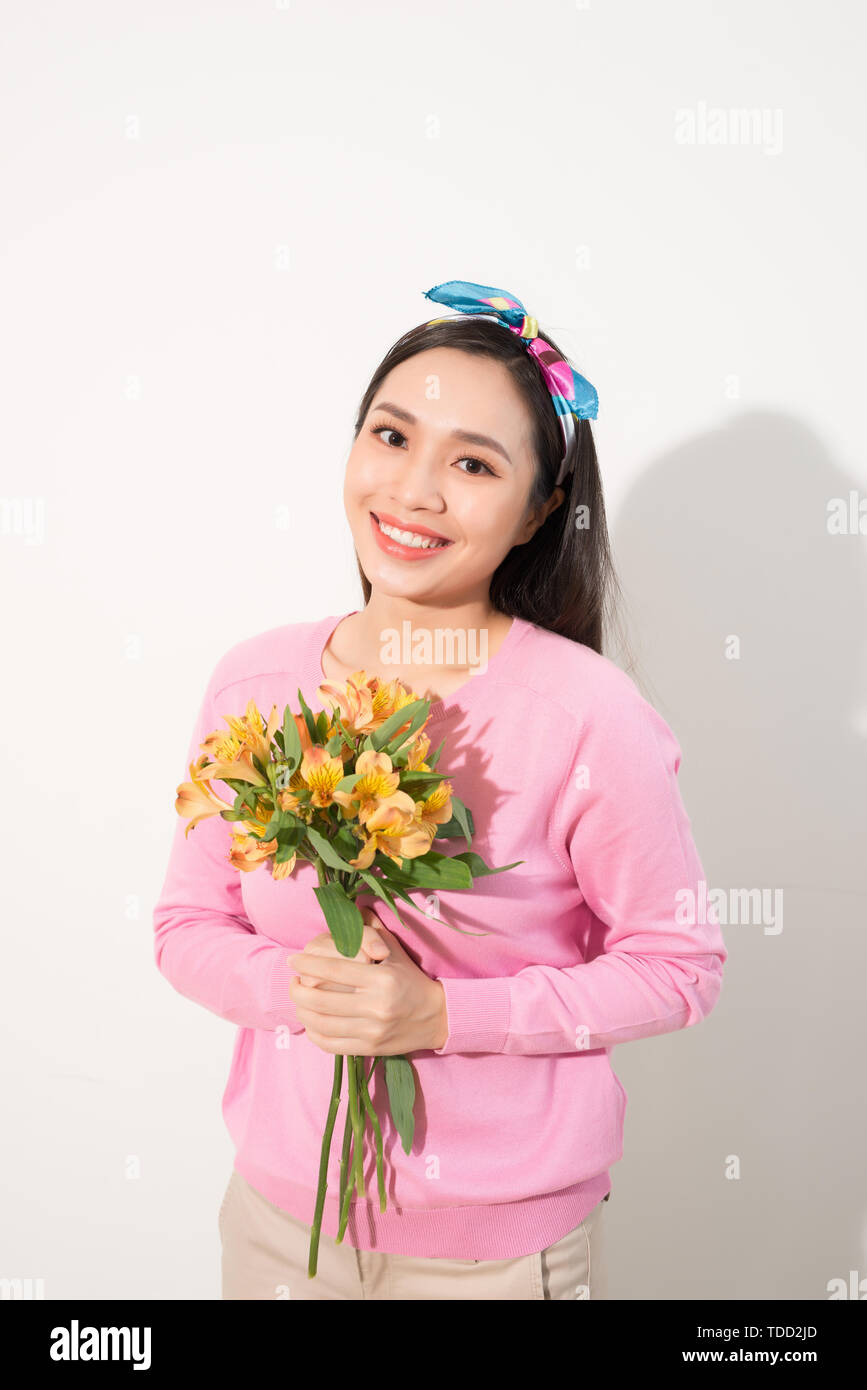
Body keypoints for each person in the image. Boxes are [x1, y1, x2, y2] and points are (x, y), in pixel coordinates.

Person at [153, 279, 727, 1300]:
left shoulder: (589, 715)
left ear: (541, 509)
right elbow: (187, 923)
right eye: (391, 436)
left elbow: (679, 967)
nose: (414, 491)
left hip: (500, 1259)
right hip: (281, 1228)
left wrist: (439, 1016)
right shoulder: (257, 682)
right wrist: (298, 989)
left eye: (472, 463)